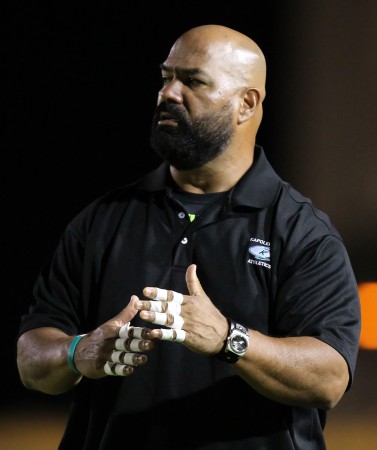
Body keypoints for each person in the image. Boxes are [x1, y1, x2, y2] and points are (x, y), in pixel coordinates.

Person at [16, 24, 361, 450]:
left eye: (193, 81)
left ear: (246, 104)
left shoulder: (302, 233)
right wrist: (77, 352)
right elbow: (31, 358)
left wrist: (228, 339)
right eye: (166, 77)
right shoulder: (102, 221)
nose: (169, 93)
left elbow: (329, 378)